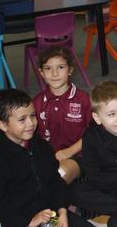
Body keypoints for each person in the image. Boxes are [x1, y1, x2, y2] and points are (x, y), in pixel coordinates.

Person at [0, 89, 101, 227]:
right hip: (18, 219)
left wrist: (62, 211)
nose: (31, 124)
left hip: (47, 213)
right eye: (22, 120)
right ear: (3, 125)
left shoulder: (40, 145)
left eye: (33, 116)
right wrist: (28, 221)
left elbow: (55, 181)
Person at [71, 81, 117, 217]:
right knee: (76, 192)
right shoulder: (90, 137)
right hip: (105, 186)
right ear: (97, 118)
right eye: (111, 114)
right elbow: (92, 172)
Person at [33, 46, 89, 184]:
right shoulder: (37, 102)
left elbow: (92, 133)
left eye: (61, 67)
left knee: (59, 175)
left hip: (78, 156)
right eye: (48, 68)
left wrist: (69, 152)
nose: (54, 73)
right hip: (47, 157)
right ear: (41, 72)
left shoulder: (83, 99)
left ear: (70, 70)